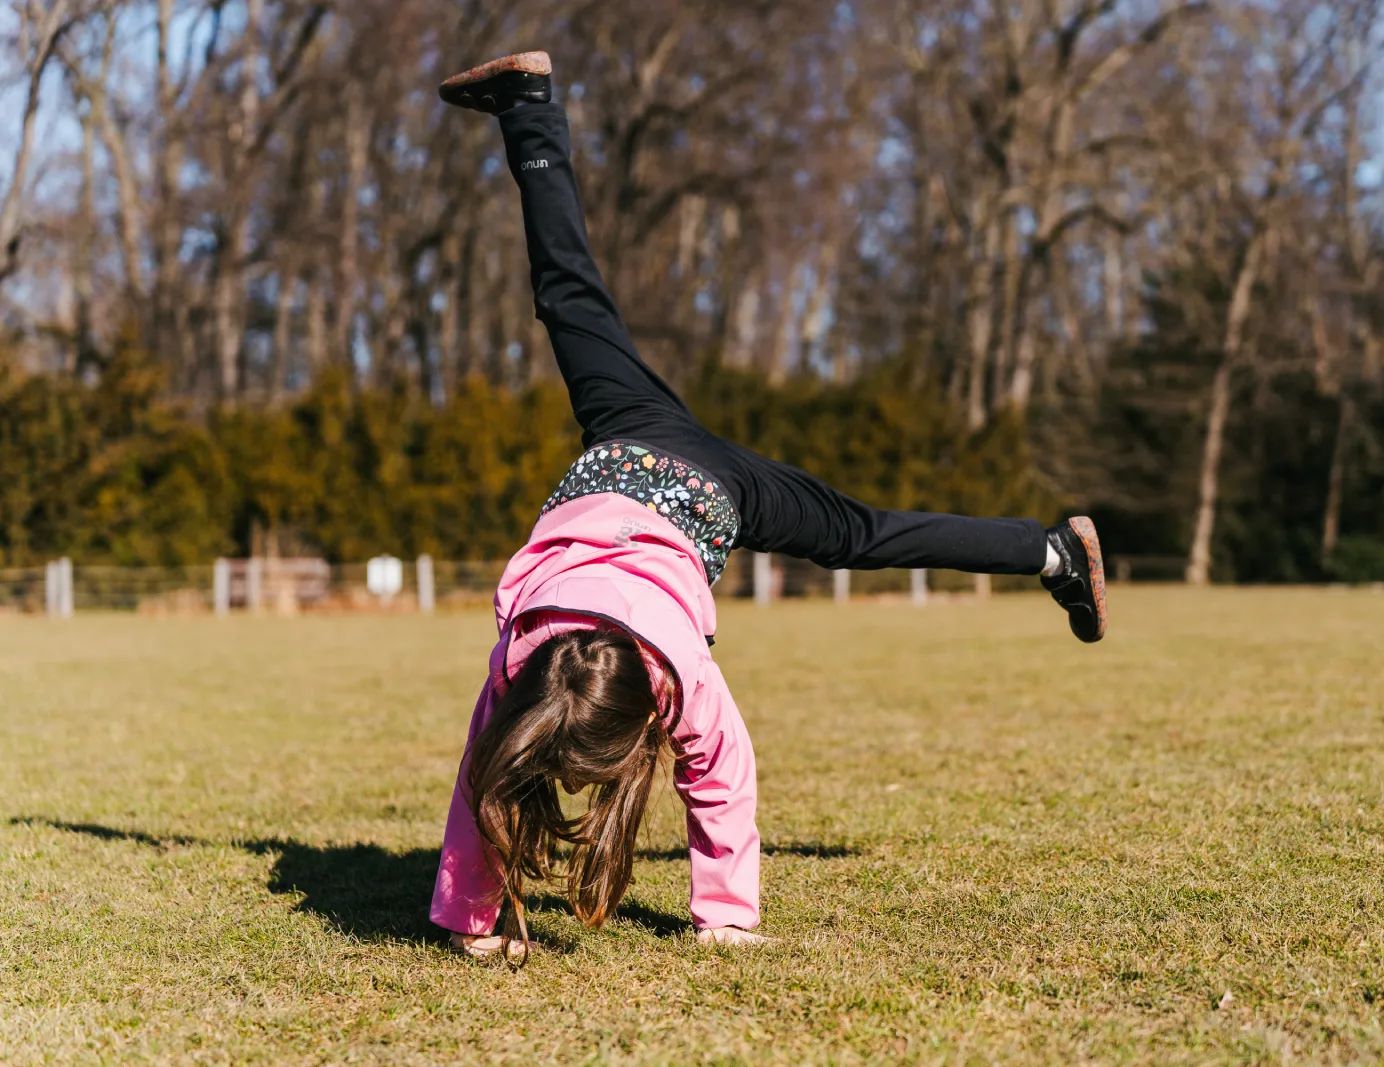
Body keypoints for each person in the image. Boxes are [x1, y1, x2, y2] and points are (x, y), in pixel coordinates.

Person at [429, 51, 1107, 963]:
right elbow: (494, 772)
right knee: (569, 295)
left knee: (866, 533)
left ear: (648, 716)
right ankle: (528, 107)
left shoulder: (666, 675)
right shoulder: (528, 667)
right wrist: (472, 923)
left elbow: (721, 775)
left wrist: (726, 915)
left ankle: (1058, 552)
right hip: (631, 434)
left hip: (710, 488)